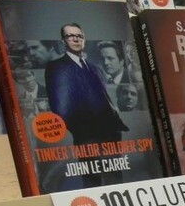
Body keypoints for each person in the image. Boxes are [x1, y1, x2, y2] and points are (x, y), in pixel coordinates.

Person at [45, 22, 129, 187]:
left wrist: (115, 120)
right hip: (86, 134)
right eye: (71, 36)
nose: (76, 39)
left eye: (79, 36)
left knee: (115, 179)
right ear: (63, 41)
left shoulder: (95, 68)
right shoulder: (56, 67)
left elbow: (104, 97)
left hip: (111, 131)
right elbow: (58, 104)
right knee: (92, 180)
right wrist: (79, 129)